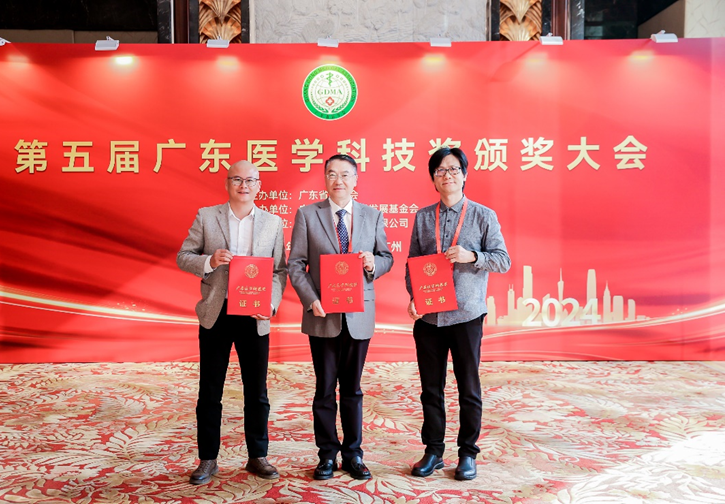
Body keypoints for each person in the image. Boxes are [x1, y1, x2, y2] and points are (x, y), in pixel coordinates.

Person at [177, 160, 287, 485]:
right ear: (227, 184)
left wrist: (271, 304)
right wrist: (209, 261)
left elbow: (279, 271)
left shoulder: (272, 223)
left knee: (257, 390)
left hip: (255, 314)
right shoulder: (207, 216)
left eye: (250, 180)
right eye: (237, 179)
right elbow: (184, 256)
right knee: (210, 390)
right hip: (217, 312)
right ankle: (208, 459)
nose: (243, 186)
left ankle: (258, 455)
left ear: (259, 186)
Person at [405, 147, 511, 481]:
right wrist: (413, 296)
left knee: (468, 387)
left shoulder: (483, 215)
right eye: (440, 170)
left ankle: (467, 453)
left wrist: (472, 256)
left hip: (466, 315)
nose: (447, 175)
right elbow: (413, 262)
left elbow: (503, 260)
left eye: (453, 169)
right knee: (430, 389)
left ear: (464, 175)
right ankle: (433, 451)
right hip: (429, 317)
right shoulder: (424, 217)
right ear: (433, 179)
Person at [288, 154, 394, 481]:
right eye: (332, 174)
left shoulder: (372, 216)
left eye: (345, 175)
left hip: (358, 315)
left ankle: (353, 454)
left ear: (356, 179)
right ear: (324, 179)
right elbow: (296, 264)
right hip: (322, 315)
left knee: (353, 389)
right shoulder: (307, 215)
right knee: (324, 389)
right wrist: (311, 300)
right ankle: (326, 455)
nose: (339, 181)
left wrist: (373, 264)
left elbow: (387, 257)